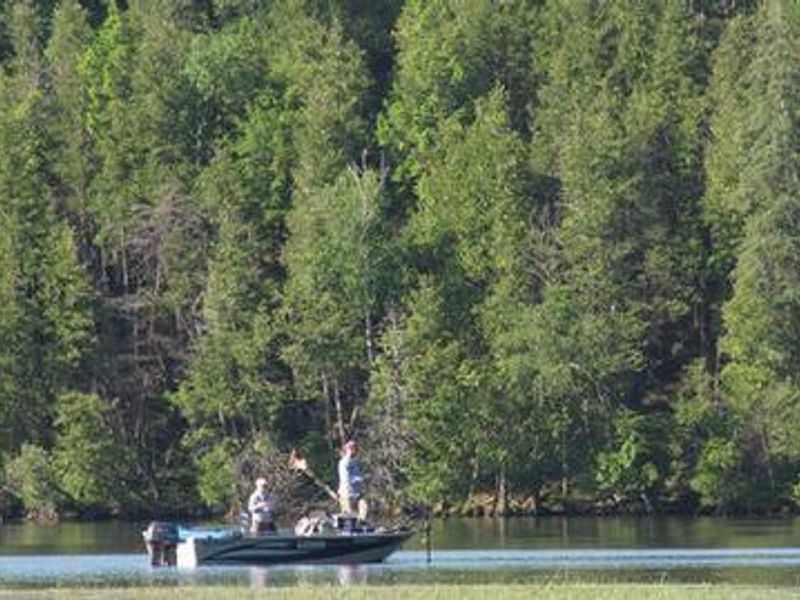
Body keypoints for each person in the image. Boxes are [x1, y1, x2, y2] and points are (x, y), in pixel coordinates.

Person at [337, 440, 368, 521]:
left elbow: (358, 474)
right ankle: (350, 530)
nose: (354, 450)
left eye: (354, 448)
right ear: (347, 449)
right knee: (349, 517)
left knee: (364, 506)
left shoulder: (355, 461)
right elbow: (346, 478)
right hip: (346, 493)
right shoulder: (343, 462)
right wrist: (359, 479)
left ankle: (361, 524)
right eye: (351, 448)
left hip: (357, 493)